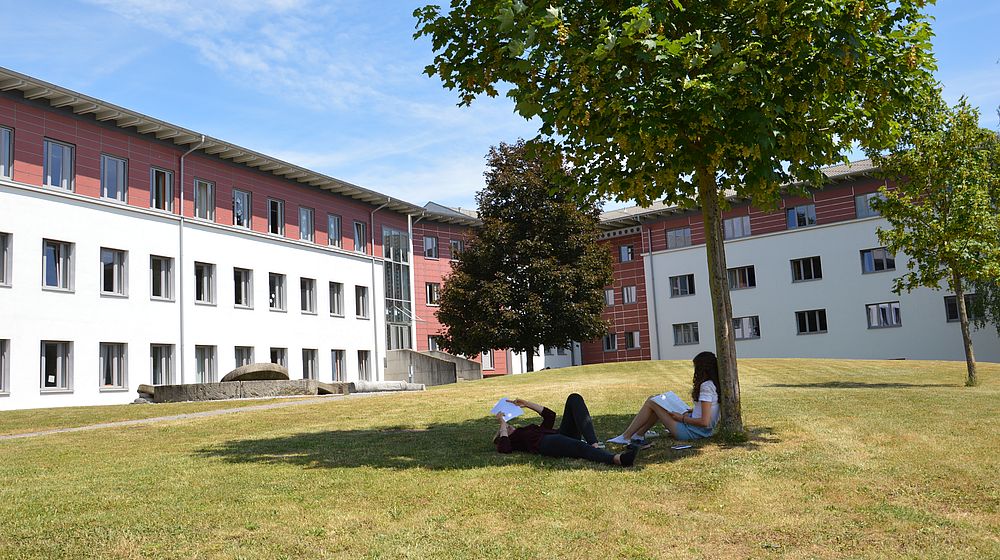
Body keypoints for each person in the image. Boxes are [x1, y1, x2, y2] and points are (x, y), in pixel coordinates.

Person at [494, 393, 638, 467]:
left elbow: (550, 416)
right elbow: (505, 449)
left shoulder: (527, 431)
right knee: (578, 447)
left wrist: (526, 403)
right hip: (546, 444)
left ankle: (593, 443)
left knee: (574, 398)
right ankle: (616, 459)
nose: (508, 425)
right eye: (506, 427)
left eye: (507, 424)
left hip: (558, 435)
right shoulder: (513, 441)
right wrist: (501, 425)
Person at [608, 351, 721, 445]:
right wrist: (693, 411)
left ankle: (626, 436)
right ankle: (638, 435)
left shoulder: (706, 386)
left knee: (652, 402)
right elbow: (708, 410)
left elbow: (704, 422)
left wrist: (681, 418)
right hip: (699, 429)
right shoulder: (713, 384)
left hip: (693, 431)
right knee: (656, 400)